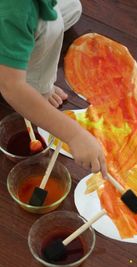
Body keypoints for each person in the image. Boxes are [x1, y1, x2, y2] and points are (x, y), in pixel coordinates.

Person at [0, 0, 107, 177]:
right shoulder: (16, 9)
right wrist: (74, 135)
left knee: (72, 8)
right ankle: (37, 86)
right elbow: (11, 87)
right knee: (51, 26)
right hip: (12, 22)